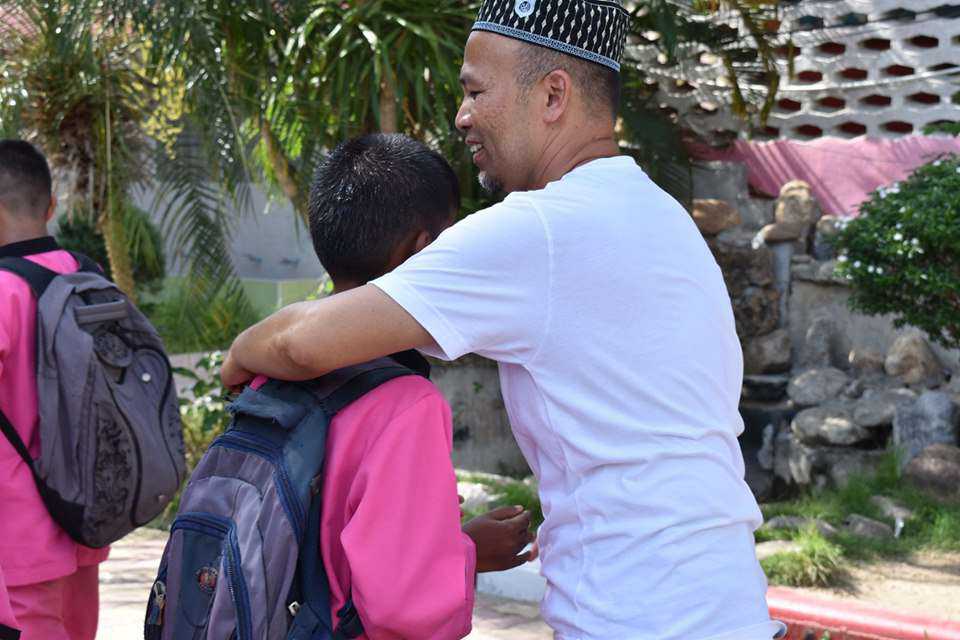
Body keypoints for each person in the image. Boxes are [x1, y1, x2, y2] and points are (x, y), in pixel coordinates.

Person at [222, 1, 786, 638]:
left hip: (638, 620)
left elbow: (301, 346)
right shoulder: (661, 216)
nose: (461, 116)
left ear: (552, 96)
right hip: (727, 608)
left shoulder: (541, 229)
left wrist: (237, 356)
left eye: (476, 92)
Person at [284, 133, 534, 637]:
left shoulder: (276, 368)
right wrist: (468, 550)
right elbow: (401, 606)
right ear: (423, 250)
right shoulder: (405, 403)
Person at [0, 140, 106, 639]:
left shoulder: (3, 291)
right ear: (50, 206)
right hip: (84, 520)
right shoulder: (90, 275)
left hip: (18, 538)